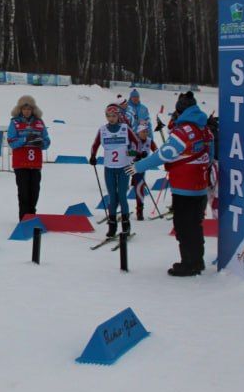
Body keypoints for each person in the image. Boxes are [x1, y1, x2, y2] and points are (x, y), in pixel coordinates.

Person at [130, 91, 213, 276]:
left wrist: (139, 166)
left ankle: (188, 264)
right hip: (200, 185)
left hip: (184, 187)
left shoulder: (184, 131)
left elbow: (164, 154)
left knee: (184, 226)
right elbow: (210, 155)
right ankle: (197, 261)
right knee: (196, 225)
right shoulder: (205, 128)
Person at [90, 103, 139, 238]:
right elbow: (95, 144)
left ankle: (125, 225)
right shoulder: (102, 130)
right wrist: (93, 156)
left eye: (113, 116)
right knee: (112, 197)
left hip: (124, 167)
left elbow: (135, 142)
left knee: (122, 196)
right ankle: (112, 226)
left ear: (118, 116)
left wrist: (133, 155)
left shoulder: (125, 128)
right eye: (108, 116)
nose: (111, 119)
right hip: (109, 168)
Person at [7, 95, 51, 222]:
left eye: (29, 109)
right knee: (24, 192)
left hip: (35, 163)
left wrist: (41, 143)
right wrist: (26, 139)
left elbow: (47, 141)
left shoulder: (39, 122)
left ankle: (32, 215)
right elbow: (11, 141)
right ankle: (24, 218)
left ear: (33, 109)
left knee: (35, 191)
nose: (27, 111)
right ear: (20, 109)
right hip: (21, 163)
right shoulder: (14, 122)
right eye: (24, 109)